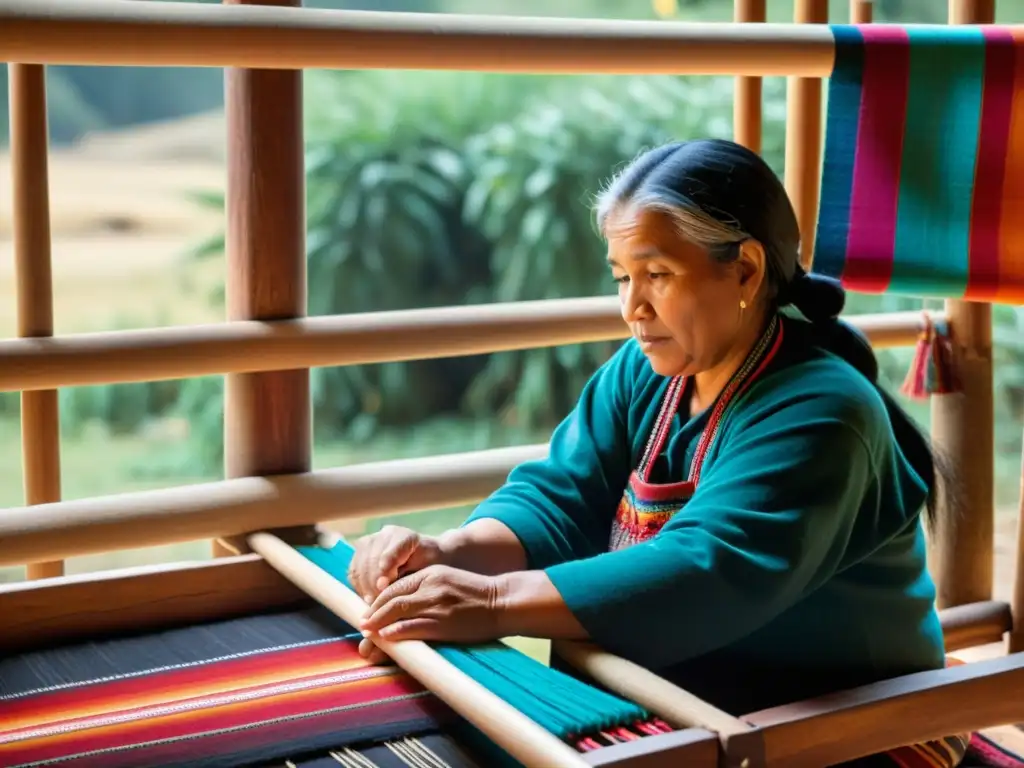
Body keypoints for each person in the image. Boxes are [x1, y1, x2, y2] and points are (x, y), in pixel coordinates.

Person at [349, 138, 958, 765]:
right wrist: (450, 552)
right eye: (622, 277)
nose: (632, 308)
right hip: (690, 705)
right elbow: (559, 494)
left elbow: (706, 569)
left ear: (746, 269)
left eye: (658, 276)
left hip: (853, 725)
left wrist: (493, 602)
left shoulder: (824, 413)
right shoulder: (648, 373)